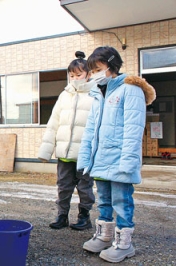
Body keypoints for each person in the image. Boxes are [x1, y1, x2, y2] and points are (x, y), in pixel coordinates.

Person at [77, 46, 156, 263]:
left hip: (120, 158)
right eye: (91, 71)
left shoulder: (130, 89)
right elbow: (90, 130)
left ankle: (124, 244)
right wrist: (86, 158)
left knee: (122, 201)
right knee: (103, 200)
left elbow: (134, 127)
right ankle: (105, 236)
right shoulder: (98, 93)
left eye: (98, 69)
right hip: (101, 158)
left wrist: (129, 161)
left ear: (112, 66)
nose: (94, 75)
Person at [38, 51, 96, 231]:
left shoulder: (96, 95)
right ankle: (62, 216)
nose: (74, 79)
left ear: (89, 74)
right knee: (63, 187)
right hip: (64, 154)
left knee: (85, 188)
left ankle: (84, 217)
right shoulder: (64, 95)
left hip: (85, 155)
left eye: (78, 75)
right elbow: (53, 123)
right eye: (71, 75)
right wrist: (45, 151)